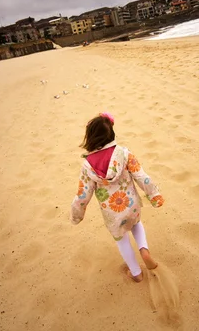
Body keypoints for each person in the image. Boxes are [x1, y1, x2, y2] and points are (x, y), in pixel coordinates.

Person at [70, 112, 164, 282]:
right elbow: (142, 176)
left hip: (112, 214)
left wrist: (77, 214)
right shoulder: (124, 153)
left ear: (90, 138)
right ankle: (144, 250)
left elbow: (83, 194)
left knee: (121, 239)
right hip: (132, 205)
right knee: (136, 224)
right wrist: (154, 194)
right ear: (112, 134)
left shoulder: (87, 165)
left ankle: (136, 273)